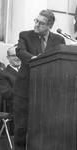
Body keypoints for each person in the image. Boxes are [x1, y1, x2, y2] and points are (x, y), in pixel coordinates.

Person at [14, 9, 65, 150]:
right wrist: (35, 60)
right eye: (35, 21)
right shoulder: (25, 35)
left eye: (41, 23)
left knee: (44, 128)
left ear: (49, 26)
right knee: (21, 129)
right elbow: (20, 51)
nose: (36, 25)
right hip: (25, 90)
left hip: (47, 92)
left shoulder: (59, 40)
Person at [0, 45, 21, 113]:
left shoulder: (27, 72)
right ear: (8, 58)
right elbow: (6, 94)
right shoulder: (3, 74)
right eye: (13, 55)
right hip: (15, 106)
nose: (17, 58)